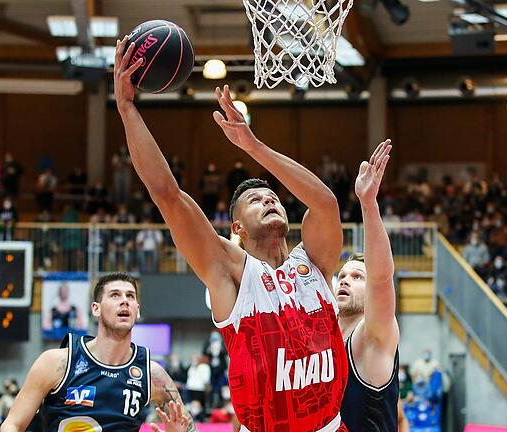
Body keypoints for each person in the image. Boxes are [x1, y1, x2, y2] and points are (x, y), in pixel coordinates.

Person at [114, 37, 347, 431]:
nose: (269, 201)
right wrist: (127, 108)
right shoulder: (231, 271)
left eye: (273, 196)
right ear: (236, 227)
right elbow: (168, 196)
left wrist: (254, 147)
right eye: (255, 200)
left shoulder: (315, 265)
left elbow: (325, 205)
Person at [1, 273, 194, 432]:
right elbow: (12, 425)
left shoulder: (152, 375)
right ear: (96, 309)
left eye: (130, 296)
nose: (125, 301)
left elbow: (188, 428)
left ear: (138, 309)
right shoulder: (57, 362)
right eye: (115, 295)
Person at [335, 141, 401, 432]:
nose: (346, 279)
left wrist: (368, 203)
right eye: (344, 275)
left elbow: (381, 278)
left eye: (357, 276)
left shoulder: (373, 335)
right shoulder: (323, 337)